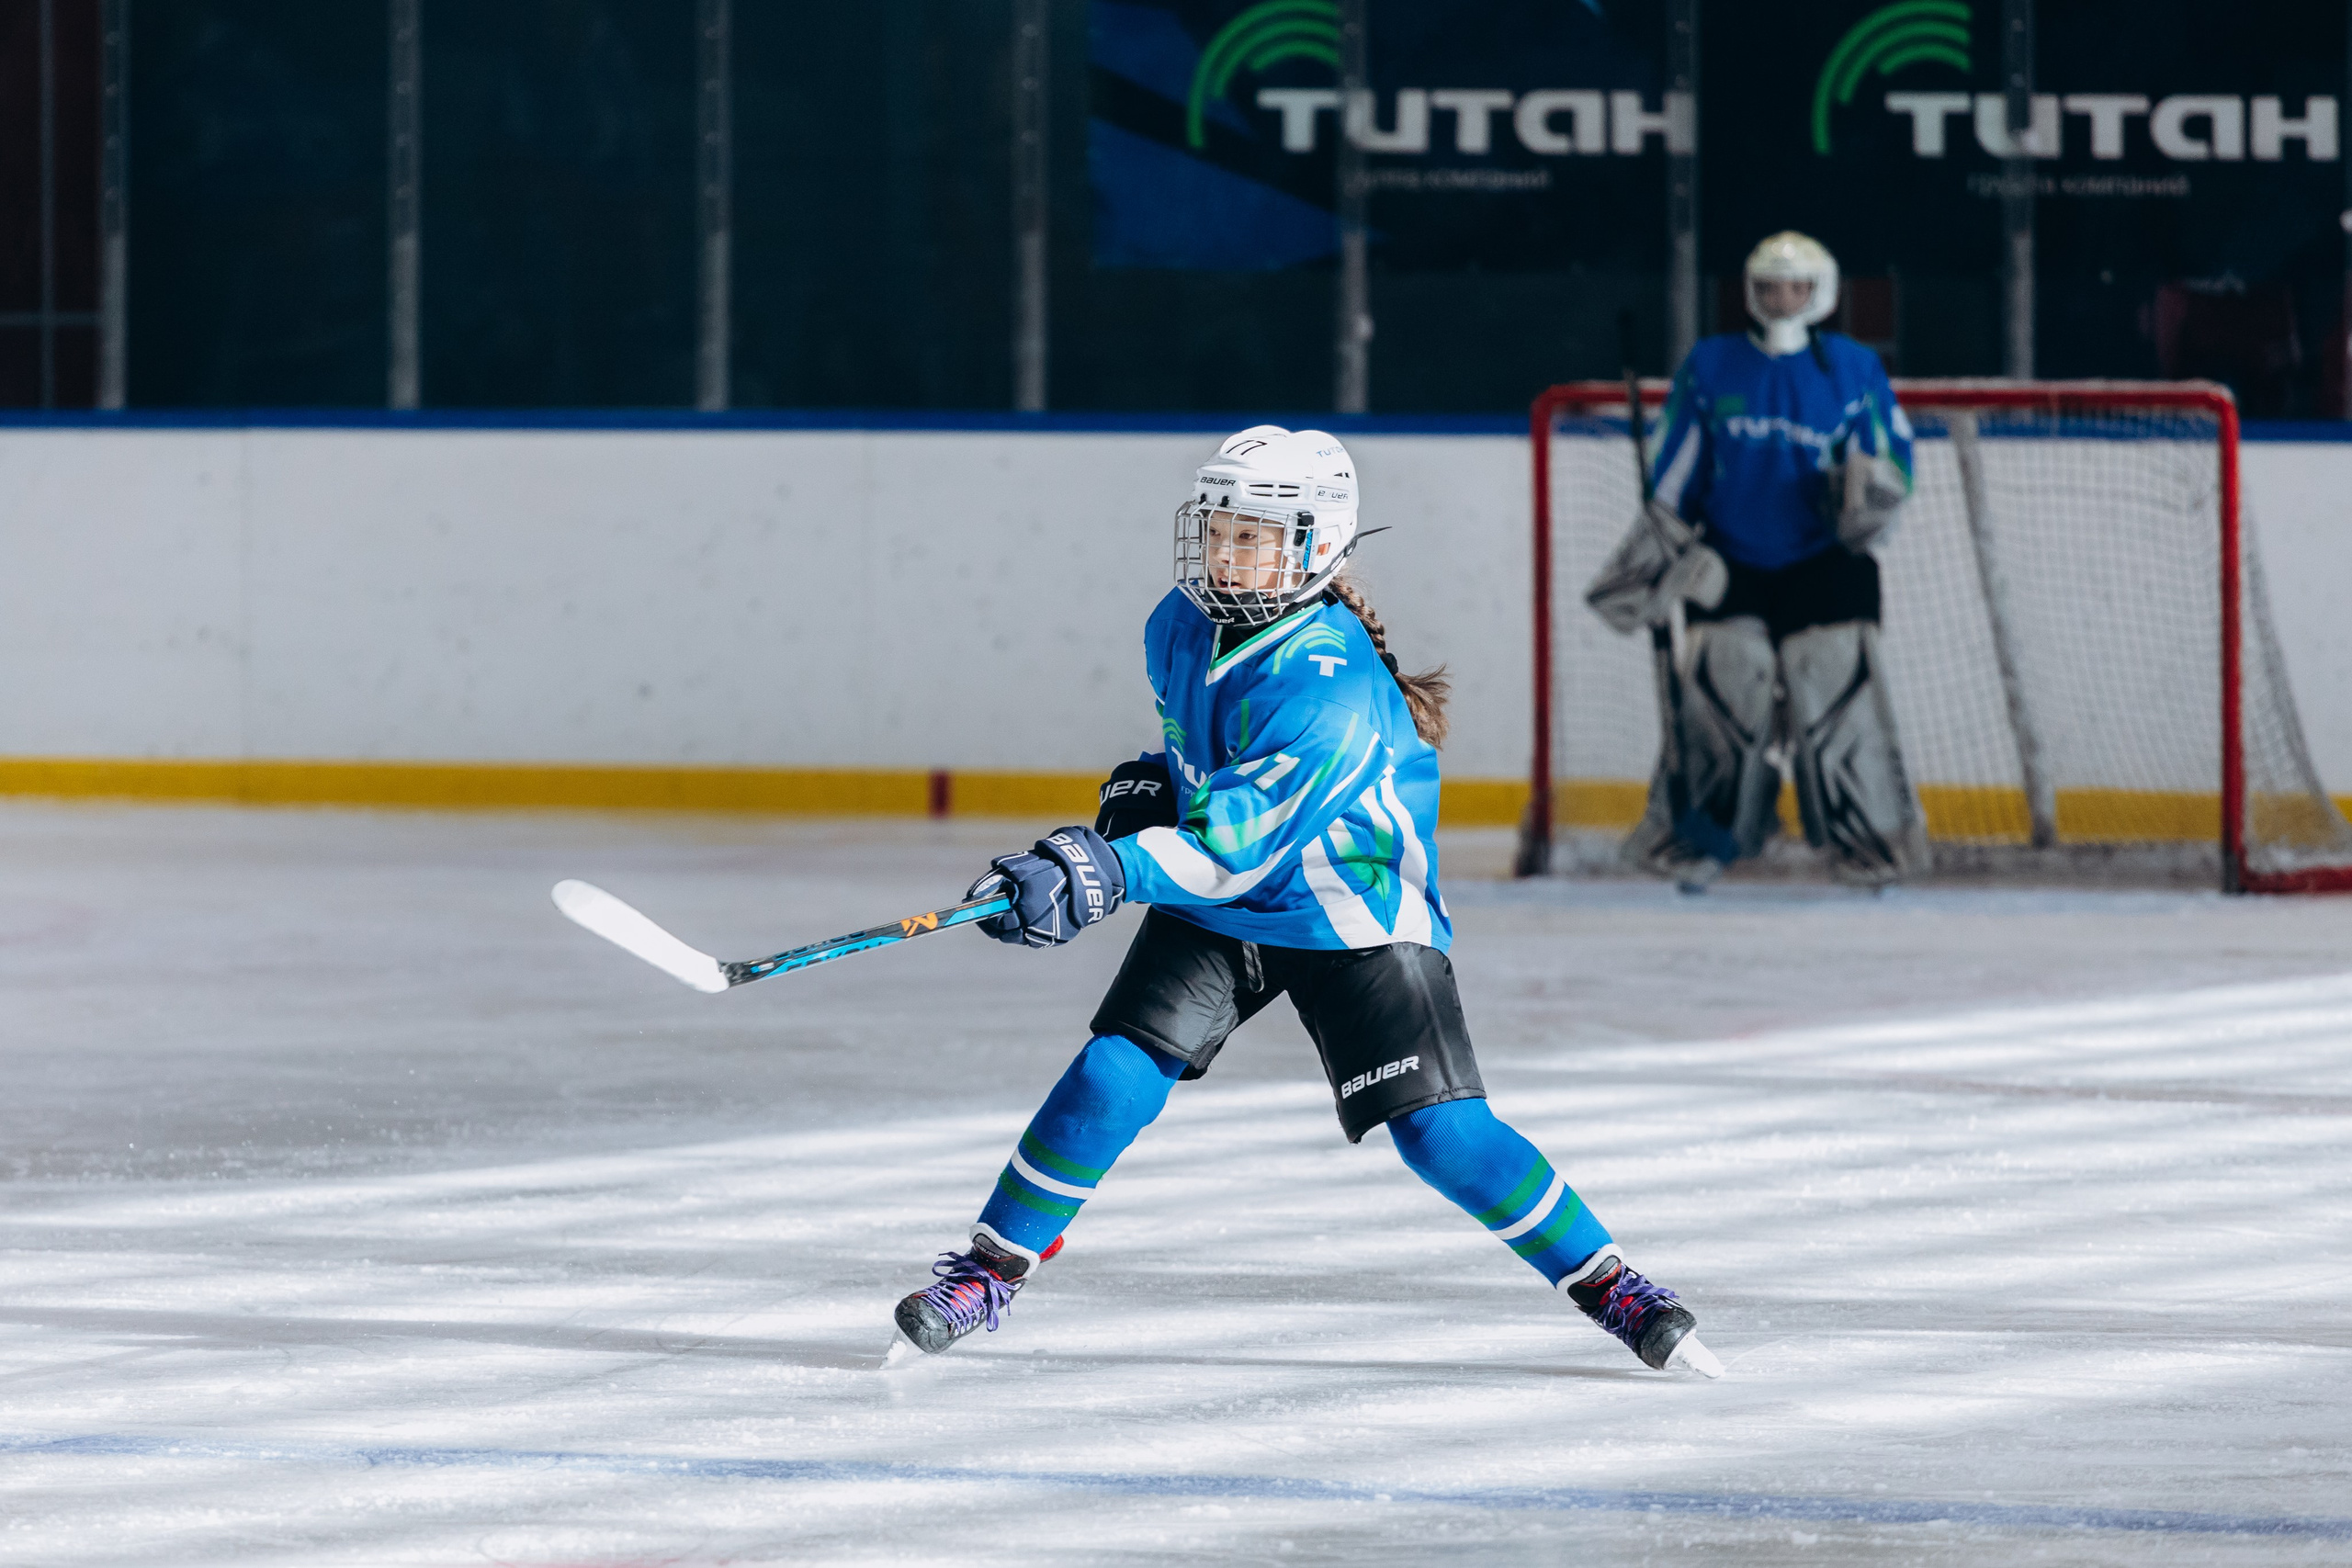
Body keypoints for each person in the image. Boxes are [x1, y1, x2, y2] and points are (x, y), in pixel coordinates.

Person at [888, 425, 1722, 1378]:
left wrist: (1100, 870)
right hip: (1231, 901)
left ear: (1317, 548)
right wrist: (1153, 788)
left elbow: (1231, 850)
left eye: (1254, 536)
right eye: (1217, 530)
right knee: (1112, 1073)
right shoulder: (1176, 623)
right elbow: (1208, 776)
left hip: (1348, 909)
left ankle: (1607, 1281)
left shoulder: (1332, 688)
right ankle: (990, 1270)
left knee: (1439, 1132)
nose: (1225, 552)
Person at [1592, 231, 1928, 888]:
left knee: (1837, 692)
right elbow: (1675, 471)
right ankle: (1709, 840)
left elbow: (1894, 457)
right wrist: (1655, 553)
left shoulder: (1854, 369)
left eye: (1796, 287)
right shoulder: (1712, 366)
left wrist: (1873, 495)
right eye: (1770, 287)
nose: (1782, 299)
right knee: (1724, 688)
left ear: (1821, 292)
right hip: (1733, 563)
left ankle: (1867, 841)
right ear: (1751, 292)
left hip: (1827, 564)